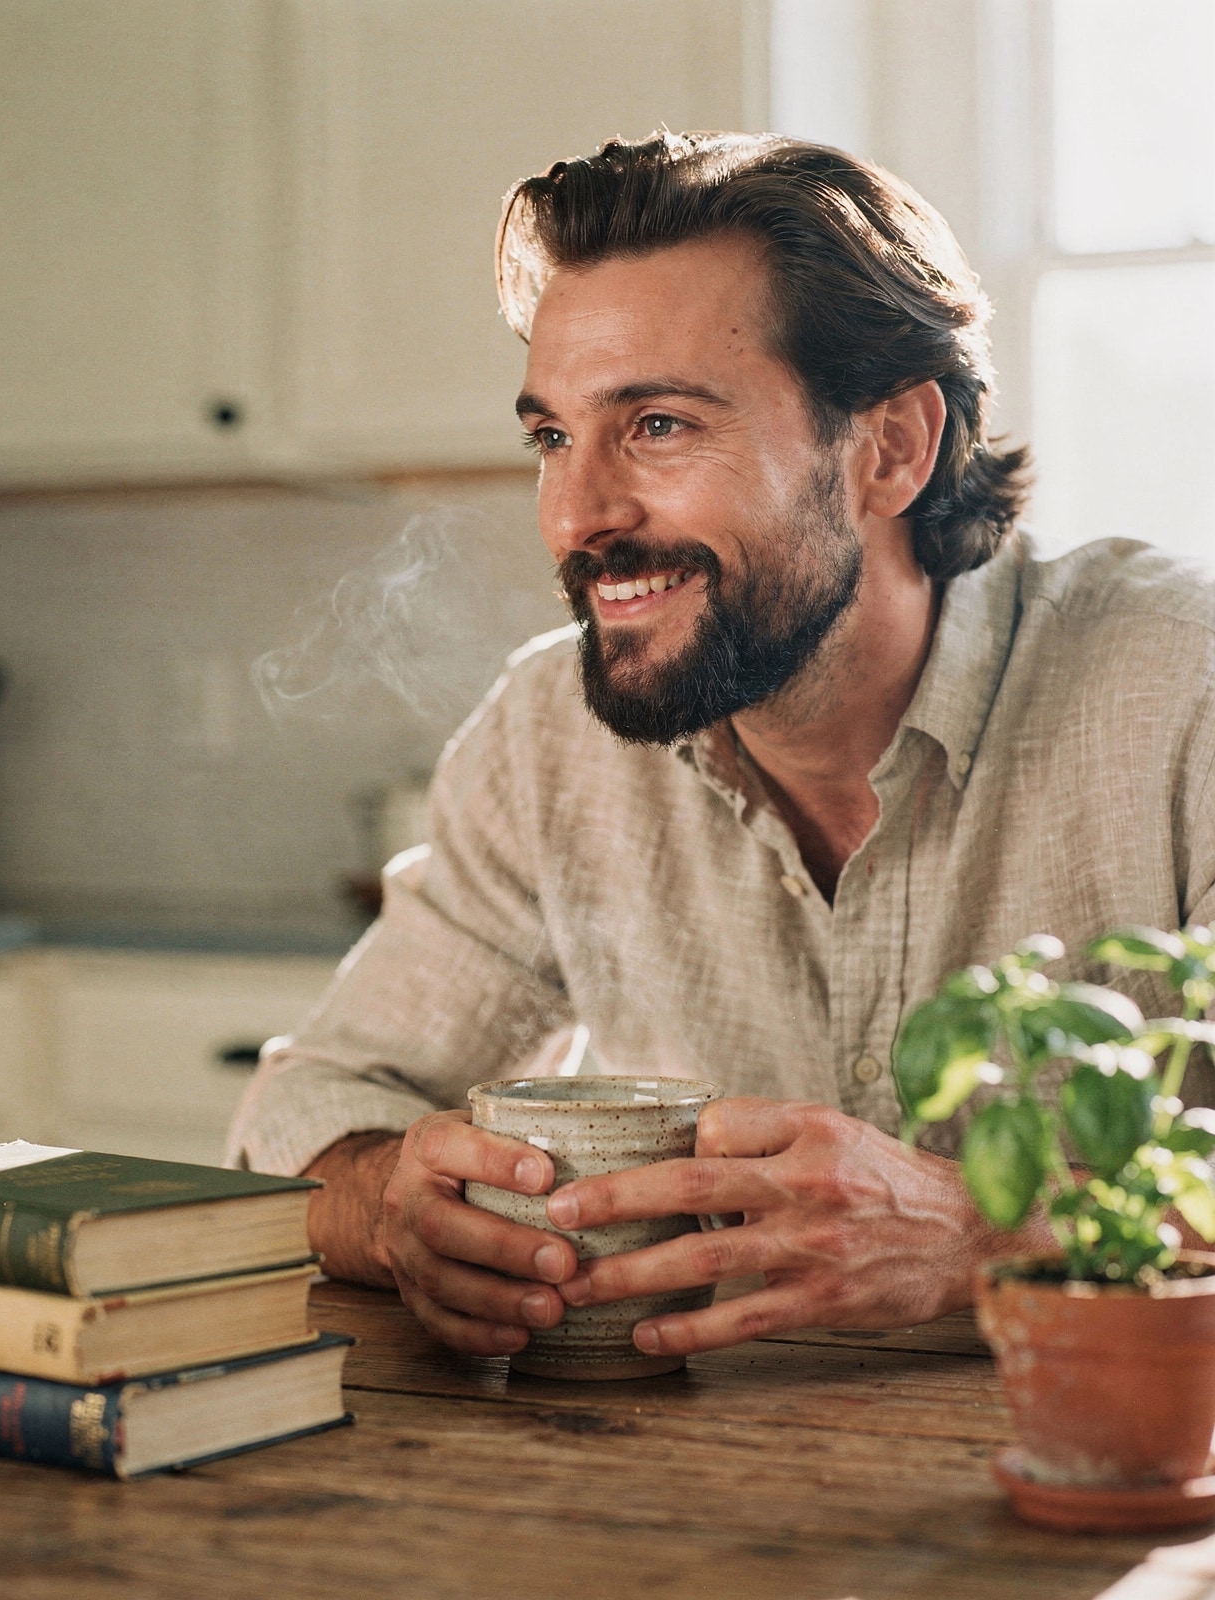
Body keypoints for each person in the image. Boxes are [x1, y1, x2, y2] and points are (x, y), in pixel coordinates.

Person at [226, 131, 1215, 1362]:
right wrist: (394, 1209)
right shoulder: (549, 739)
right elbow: (305, 1111)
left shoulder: (1183, 689)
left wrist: (980, 1234)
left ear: (891, 449)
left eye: (656, 425)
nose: (577, 514)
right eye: (550, 437)